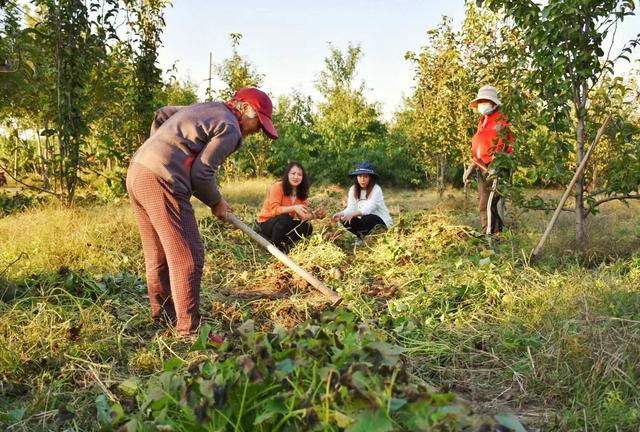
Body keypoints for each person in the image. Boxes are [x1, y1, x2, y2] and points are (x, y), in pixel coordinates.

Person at [126, 87, 278, 337]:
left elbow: (163, 115)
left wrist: (161, 150)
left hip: (138, 171)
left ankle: (164, 318)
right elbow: (201, 173)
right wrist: (216, 201)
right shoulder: (231, 128)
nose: (256, 131)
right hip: (162, 179)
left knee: (160, 255)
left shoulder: (208, 109)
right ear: (247, 110)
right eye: (258, 123)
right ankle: (189, 332)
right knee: (188, 255)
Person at [463, 86, 513, 235]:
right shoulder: (482, 122)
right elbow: (478, 150)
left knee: (487, 205)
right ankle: (500, 235)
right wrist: (470, 169)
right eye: (480, 102)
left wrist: (496, 167)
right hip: (481, 169)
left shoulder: (500, 122)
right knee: (484, 206)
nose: (482, 105)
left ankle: (488, 239)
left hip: (495, 169)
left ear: (494, 104)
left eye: (486, 101)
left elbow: (507, 148)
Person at [257, 162, 326, 251]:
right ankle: (274, 246)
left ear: (303, 178)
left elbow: (302, 217)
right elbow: (275, 210)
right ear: (287, 175)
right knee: (285, 218)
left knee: (307, 227)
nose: (296, 177)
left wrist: (315, 215)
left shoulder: (301, 194)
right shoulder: (278, 186)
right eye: (293, 174)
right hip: (267, 223)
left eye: (299, 175)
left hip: (283, 226)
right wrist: (294, 208)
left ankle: (285, 244)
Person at [332, 161, 392, 244]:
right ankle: (361, 237)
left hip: (380, 221)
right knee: (345, 219)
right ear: (356, 177)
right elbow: (351, 208)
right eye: (360, 176)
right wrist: (341, 213)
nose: (362, 180)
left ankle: (378, 237)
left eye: (365, 177)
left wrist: (353, 214)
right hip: (365, 222)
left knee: (367, 217)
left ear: (370, 177)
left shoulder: (376, 189)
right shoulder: (353, 189)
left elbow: (368, 209)